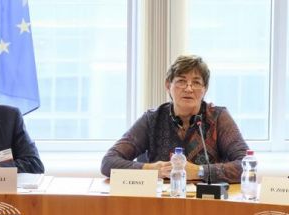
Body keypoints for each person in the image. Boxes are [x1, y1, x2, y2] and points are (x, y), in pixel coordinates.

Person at [101, 55, 248, 183]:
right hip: (161, 200)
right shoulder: (152, 119)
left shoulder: (218, 117)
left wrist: (200, 171)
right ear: (168, 85)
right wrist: (151, 169)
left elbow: (246, 164)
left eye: (196, 82)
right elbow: (108, 162)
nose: (189, 89)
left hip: (205, 201)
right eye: (181, 81)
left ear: (205, 89)